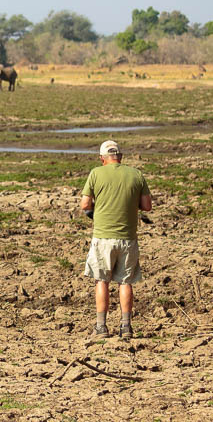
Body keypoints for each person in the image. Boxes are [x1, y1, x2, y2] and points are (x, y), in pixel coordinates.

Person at [80, 140, 152, 339]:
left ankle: (101, 327)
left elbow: (85, 204)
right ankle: (126, 326)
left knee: (101, 280)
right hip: (128, 238)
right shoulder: (136, 174)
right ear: (120, 157)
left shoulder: (96, 173)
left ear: (102, 158)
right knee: (125, 282)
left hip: (103, 237)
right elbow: (146, 206)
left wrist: (94, 213)